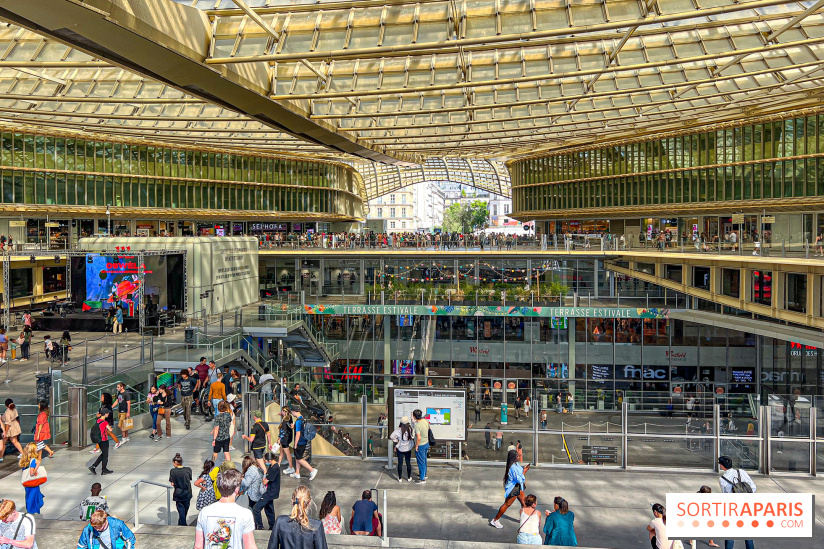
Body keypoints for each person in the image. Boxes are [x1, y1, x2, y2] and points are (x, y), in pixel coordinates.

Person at [195, 469, 257, 549]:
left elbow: (198, 546)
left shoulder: (204, 512)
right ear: (236, 489)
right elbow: (250, 546)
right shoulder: (245, 514)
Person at [718, 456, 755, 549]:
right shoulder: (741, 472)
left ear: (722, 466)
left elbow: (725, 495)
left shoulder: (722, 479)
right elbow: (753, 487)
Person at [489, 449, 528, 529]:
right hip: (514, 488)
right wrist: (524, 471)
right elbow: (519, 479)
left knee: (524, 503)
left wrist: (524, 469)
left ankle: (523, 519)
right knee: (507, 504)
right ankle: (495, 520)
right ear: (514, 457)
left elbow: (519, 473)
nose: (518, 457)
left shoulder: (515, 464)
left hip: (518, 487)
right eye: (517, 456)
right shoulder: (512, 467)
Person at [253, 452, 280, 531]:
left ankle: (259, 526)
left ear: (269, 460)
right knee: (269, 509)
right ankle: (272, 526)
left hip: (269, 492)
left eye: (265, 460)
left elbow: (265, 481)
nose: (264, 462)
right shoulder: (273, 466)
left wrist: (264, 478)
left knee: (256, 508)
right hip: (271, 491)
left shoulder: (274, 468)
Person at [290, 405, 317, 481]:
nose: (292, 414)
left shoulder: (298, 421)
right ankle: (297, 473)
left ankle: (312, 470)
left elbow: (298, 434)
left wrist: (295, 444)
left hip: (299, 442)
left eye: (292, 412)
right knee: (298, 457)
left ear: (294, 412)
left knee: (299, 458)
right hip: (304, 441)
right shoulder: (303, 418)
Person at [19, 443, 44, 515]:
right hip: (33, 482)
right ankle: (31, 510)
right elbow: (32, 473)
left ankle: (29, 509)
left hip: (26, 482)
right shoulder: (33, 461)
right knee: (33, 496)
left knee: (28, 495)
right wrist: (37, 465)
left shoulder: (24, 459)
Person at [241, 456, 265, 529]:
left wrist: (241, 478)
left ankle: (256, 525)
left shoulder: (250, 471)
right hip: (258, 492)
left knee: (253, 509)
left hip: (253, 493)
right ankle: (257, 525)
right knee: (255, 510)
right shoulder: (255, 468)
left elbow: (247, 483)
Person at [170, 453, 193, 526]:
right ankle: (181, 522)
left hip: (178, 493)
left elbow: (172, 483)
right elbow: (190, 478)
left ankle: (182, 524)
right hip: (187, 492)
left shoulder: (173, 471)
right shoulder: (188, 469)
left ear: (175, 463)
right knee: (185, 509)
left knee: (181, 510)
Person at [88, 410, 114, 475]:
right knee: (105, 456)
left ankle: (93, 466)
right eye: (107, 413)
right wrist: (110, 427)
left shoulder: (98, 420)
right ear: (105, 414)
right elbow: (110, 430)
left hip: (99, 440)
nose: (108, 414)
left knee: (103, 454)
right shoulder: (105, 422)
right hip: (104, 440)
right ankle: (104, 470)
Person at [389, 416, 414, 482]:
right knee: (408, 463)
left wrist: (396, 440)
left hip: (400, 449)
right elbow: (413, 436)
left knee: (400, 463)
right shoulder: (410, 429)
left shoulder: (398, 430)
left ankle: (400, 478)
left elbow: (391, 436)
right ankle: (409, 477)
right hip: (408, 449)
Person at [412, 409, 429, 484]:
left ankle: (422, 479)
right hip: (426, 443)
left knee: (420, 462)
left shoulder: (417, 426)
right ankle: (424, 474)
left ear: (415, 417)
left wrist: (416, 446)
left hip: (421, 445)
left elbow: (418, 438)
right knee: (424, 460)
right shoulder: (425, 421)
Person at [277, 410, 295, 475]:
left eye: (282, 411)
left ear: (284, 411)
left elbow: (283, 431)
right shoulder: (289, 418)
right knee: (281, 451)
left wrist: (279, 439)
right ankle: (278, 464)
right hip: (286, 438)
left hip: (284, 439)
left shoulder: (285, 421)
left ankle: (291, 467)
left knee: (287, 452)